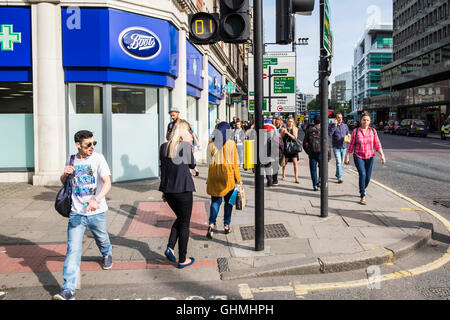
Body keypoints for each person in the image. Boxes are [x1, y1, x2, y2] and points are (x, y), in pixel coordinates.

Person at [53, 130, 112, 300]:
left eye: (94, 144)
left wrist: (97, 199)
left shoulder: (98, 158)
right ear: (78, 145)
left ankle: (107, 253)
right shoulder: (72, 159)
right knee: (73, 249)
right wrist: (65, 174)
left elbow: (107, 183)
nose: (92, 147)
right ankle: (68, 290)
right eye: (88, 145)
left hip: (97, 211)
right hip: (76, 212)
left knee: (101, 237)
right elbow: (64, 182)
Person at [159, 120, 197, 269]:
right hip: (183, 190)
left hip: (169, 191)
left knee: (181, 218)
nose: (190, 133)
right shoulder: (185, 147)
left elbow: (164, 171)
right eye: (189, 131)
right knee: (185, 223)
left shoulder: (164, 147)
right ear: (183, 132)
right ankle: (182, 259)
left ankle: (170, 247)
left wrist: (163, 191)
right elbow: (192, 165)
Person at [206, 122, 242, 239]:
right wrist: (239, 179)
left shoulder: (211, 143)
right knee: (228, 202)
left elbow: (208, 161)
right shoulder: (231, 144)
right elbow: (235, 164)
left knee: (215, 202)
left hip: (214, 175)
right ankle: (226, 225)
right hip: (228, 177)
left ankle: (211, 224)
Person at [345, 113, 386, 205]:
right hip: (358, 156)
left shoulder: (373, 131)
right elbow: (351, 145)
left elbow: (377, 144)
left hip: (370, 156)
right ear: (361, 120)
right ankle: (362, 195)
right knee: (362, 174)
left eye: (367, 120)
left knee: (367, 177)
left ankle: (362, 187)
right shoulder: (356, 131)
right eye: (364, 120)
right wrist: (347, 156)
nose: (365, 122)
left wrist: (382, 155)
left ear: (370, 121)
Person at [303, 116, 331, 191]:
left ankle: (315, 185)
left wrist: (308, 152)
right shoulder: (324, 131)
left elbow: (304, 143)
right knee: (322, 168)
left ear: (313, 122)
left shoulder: (309, 130)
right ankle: (320, 180)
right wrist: (329, 156)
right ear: (321, 122)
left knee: (313, 169)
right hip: (322, 153)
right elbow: (327, 144)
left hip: (312, 153)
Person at [328, 112, 350, 184]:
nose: (340, 119)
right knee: (338, 162)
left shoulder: (345, 126)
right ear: (336, 118)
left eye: (341, 117)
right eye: (338, 117)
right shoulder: (332, 125)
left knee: (341, 163)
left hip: (344, 146)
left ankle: (337, 173)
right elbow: (330, 134)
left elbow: (348, 133)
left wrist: (349, 136)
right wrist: (335, 125)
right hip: (336, 147)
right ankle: (340, 177)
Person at [263, 119, 283, 187]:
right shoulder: (275, 130)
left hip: (265, 151)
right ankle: (275, 180)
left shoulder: (261, 129)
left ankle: (269, 181)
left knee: (267, 166)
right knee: (275, 166)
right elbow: (280, 142)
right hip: (275, 151)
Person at [281, 116, 300, 184]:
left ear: (293, 122)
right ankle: (283, 174)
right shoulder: (284, 128)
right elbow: (281, 137)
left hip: (293, 148)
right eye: (289, 121)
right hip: (286, 147)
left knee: (295, 163)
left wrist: (288, 133)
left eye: (291, 121)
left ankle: (296, 177)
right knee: (285, 163)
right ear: (287, 122)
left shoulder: (295, 129)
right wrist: (283, 132)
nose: (290, 123)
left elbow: (295, 138)